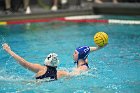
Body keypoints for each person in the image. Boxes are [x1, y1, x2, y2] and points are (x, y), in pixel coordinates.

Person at [2, 43, 68, 80]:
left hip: (33, 85)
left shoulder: (41, 68)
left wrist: (9, 50)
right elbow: (73, 74)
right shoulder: (60, 73)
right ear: (57, 64)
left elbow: (24, 63)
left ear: (46, 61)